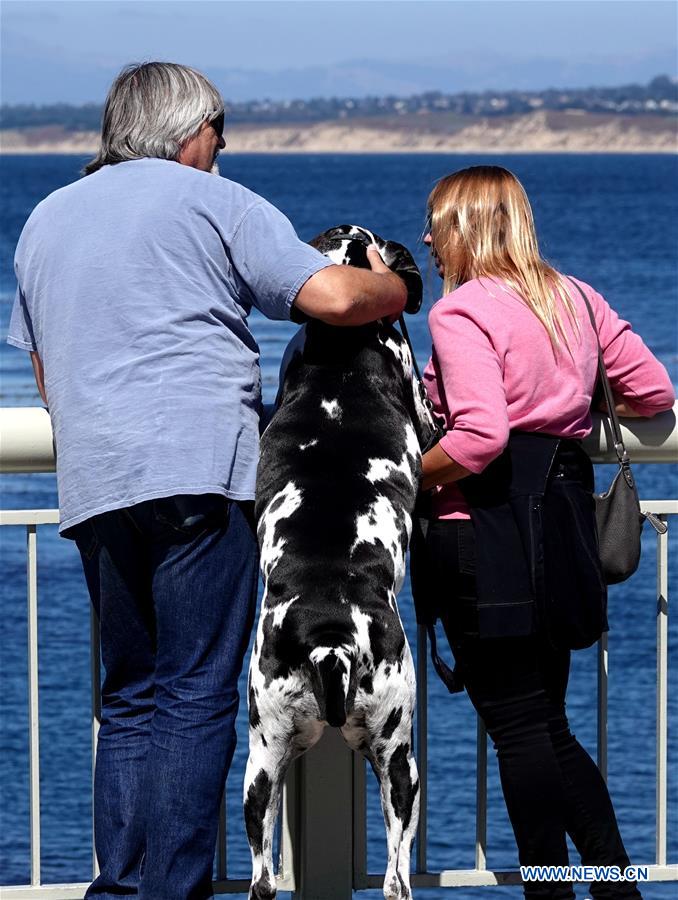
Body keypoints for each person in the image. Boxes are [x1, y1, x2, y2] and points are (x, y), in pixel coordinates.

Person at [6, 62, 407, 900]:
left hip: (97, 477)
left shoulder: (44, 219)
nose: (223, 147)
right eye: (220, 130)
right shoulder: (215, 201)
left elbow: (49, 370)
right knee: (193, 694)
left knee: (130, 698)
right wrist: (398, 285)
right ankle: (172, 892)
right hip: (197, 470)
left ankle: (117, 888)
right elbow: (333, 297)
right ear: (192, 129)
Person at [416, 165, 674, 900]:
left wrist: (406, 480)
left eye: (437, 222)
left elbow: (479, 437)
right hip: (560, 527)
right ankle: (608, 887)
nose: (428, 238)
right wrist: (568, 397)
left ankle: (557, 891)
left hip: (485, 532)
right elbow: (654, 392)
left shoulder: (461, 313)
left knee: (522, 731)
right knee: (544, 726)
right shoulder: (577, 299)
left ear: (468, 228)